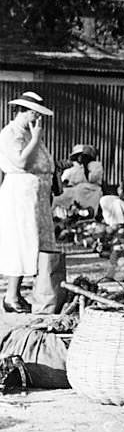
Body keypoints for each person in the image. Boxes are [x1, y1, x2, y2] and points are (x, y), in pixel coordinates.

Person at [0, 91, 57, 314]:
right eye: (33, 114)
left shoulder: (31, 132)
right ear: (22, 112)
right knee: (21, 242)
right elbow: (21, 162)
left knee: (36, 243)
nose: (36, 119)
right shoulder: (11, 133)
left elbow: (44, 162)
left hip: (37, 195)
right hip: (20, 194)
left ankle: (35, 292)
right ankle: (11, 296)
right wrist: (35, 138)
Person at [53, 143, 104, 214]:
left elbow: (92, 179)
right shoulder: (72, 168)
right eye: (80, 156)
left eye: (84, 156)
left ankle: (85, 212)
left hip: (91, 191)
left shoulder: (96, 166)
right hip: (74, 191)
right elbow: (64, 182)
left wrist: (85, 166)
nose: (81, 158)